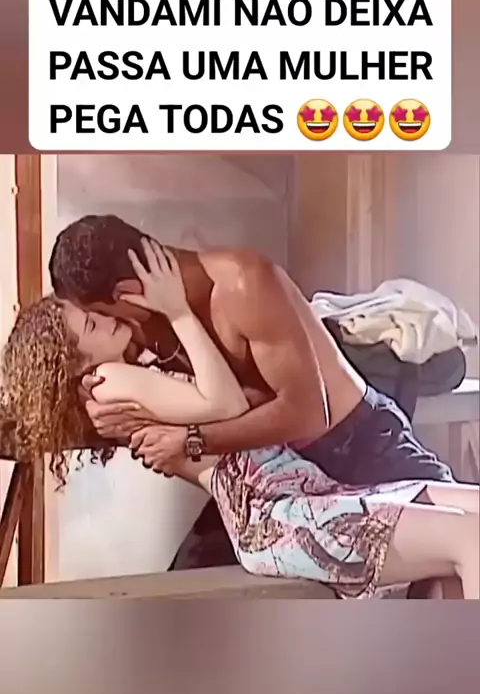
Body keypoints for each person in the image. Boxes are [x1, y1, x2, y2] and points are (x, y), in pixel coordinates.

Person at [2, 240, 479, 599]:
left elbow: (235, 410)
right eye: (92, 323)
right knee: (468, 537)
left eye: (96, 312)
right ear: (76, 365)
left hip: (304, 493)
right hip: (278, 517)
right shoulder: (110, 382)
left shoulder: (129, 376)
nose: (108, 319)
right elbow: (228, 405)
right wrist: (178, 310)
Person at [48, 215, 454, 490]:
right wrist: (95, 405)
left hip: (357, 443)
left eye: (101, 315)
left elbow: (309, 412)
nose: (107, 324)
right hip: (275, 471)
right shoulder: (141, 319)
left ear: (125, 293)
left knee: (457, 548)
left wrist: (191, 440)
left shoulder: (244, 285)